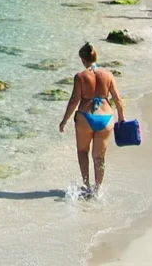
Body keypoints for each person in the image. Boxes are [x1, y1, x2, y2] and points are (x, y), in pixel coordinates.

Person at [59, 42, 124, 197]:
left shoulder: (80, 76)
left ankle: (86, 185)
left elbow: (74, 100)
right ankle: (98, 190)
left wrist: (64, 120)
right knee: (99, 157)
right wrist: (121, 117)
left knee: (83, 151)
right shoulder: (108, 75)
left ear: (83, 60)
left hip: (85, 117)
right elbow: (118, 99)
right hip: (106, 118)